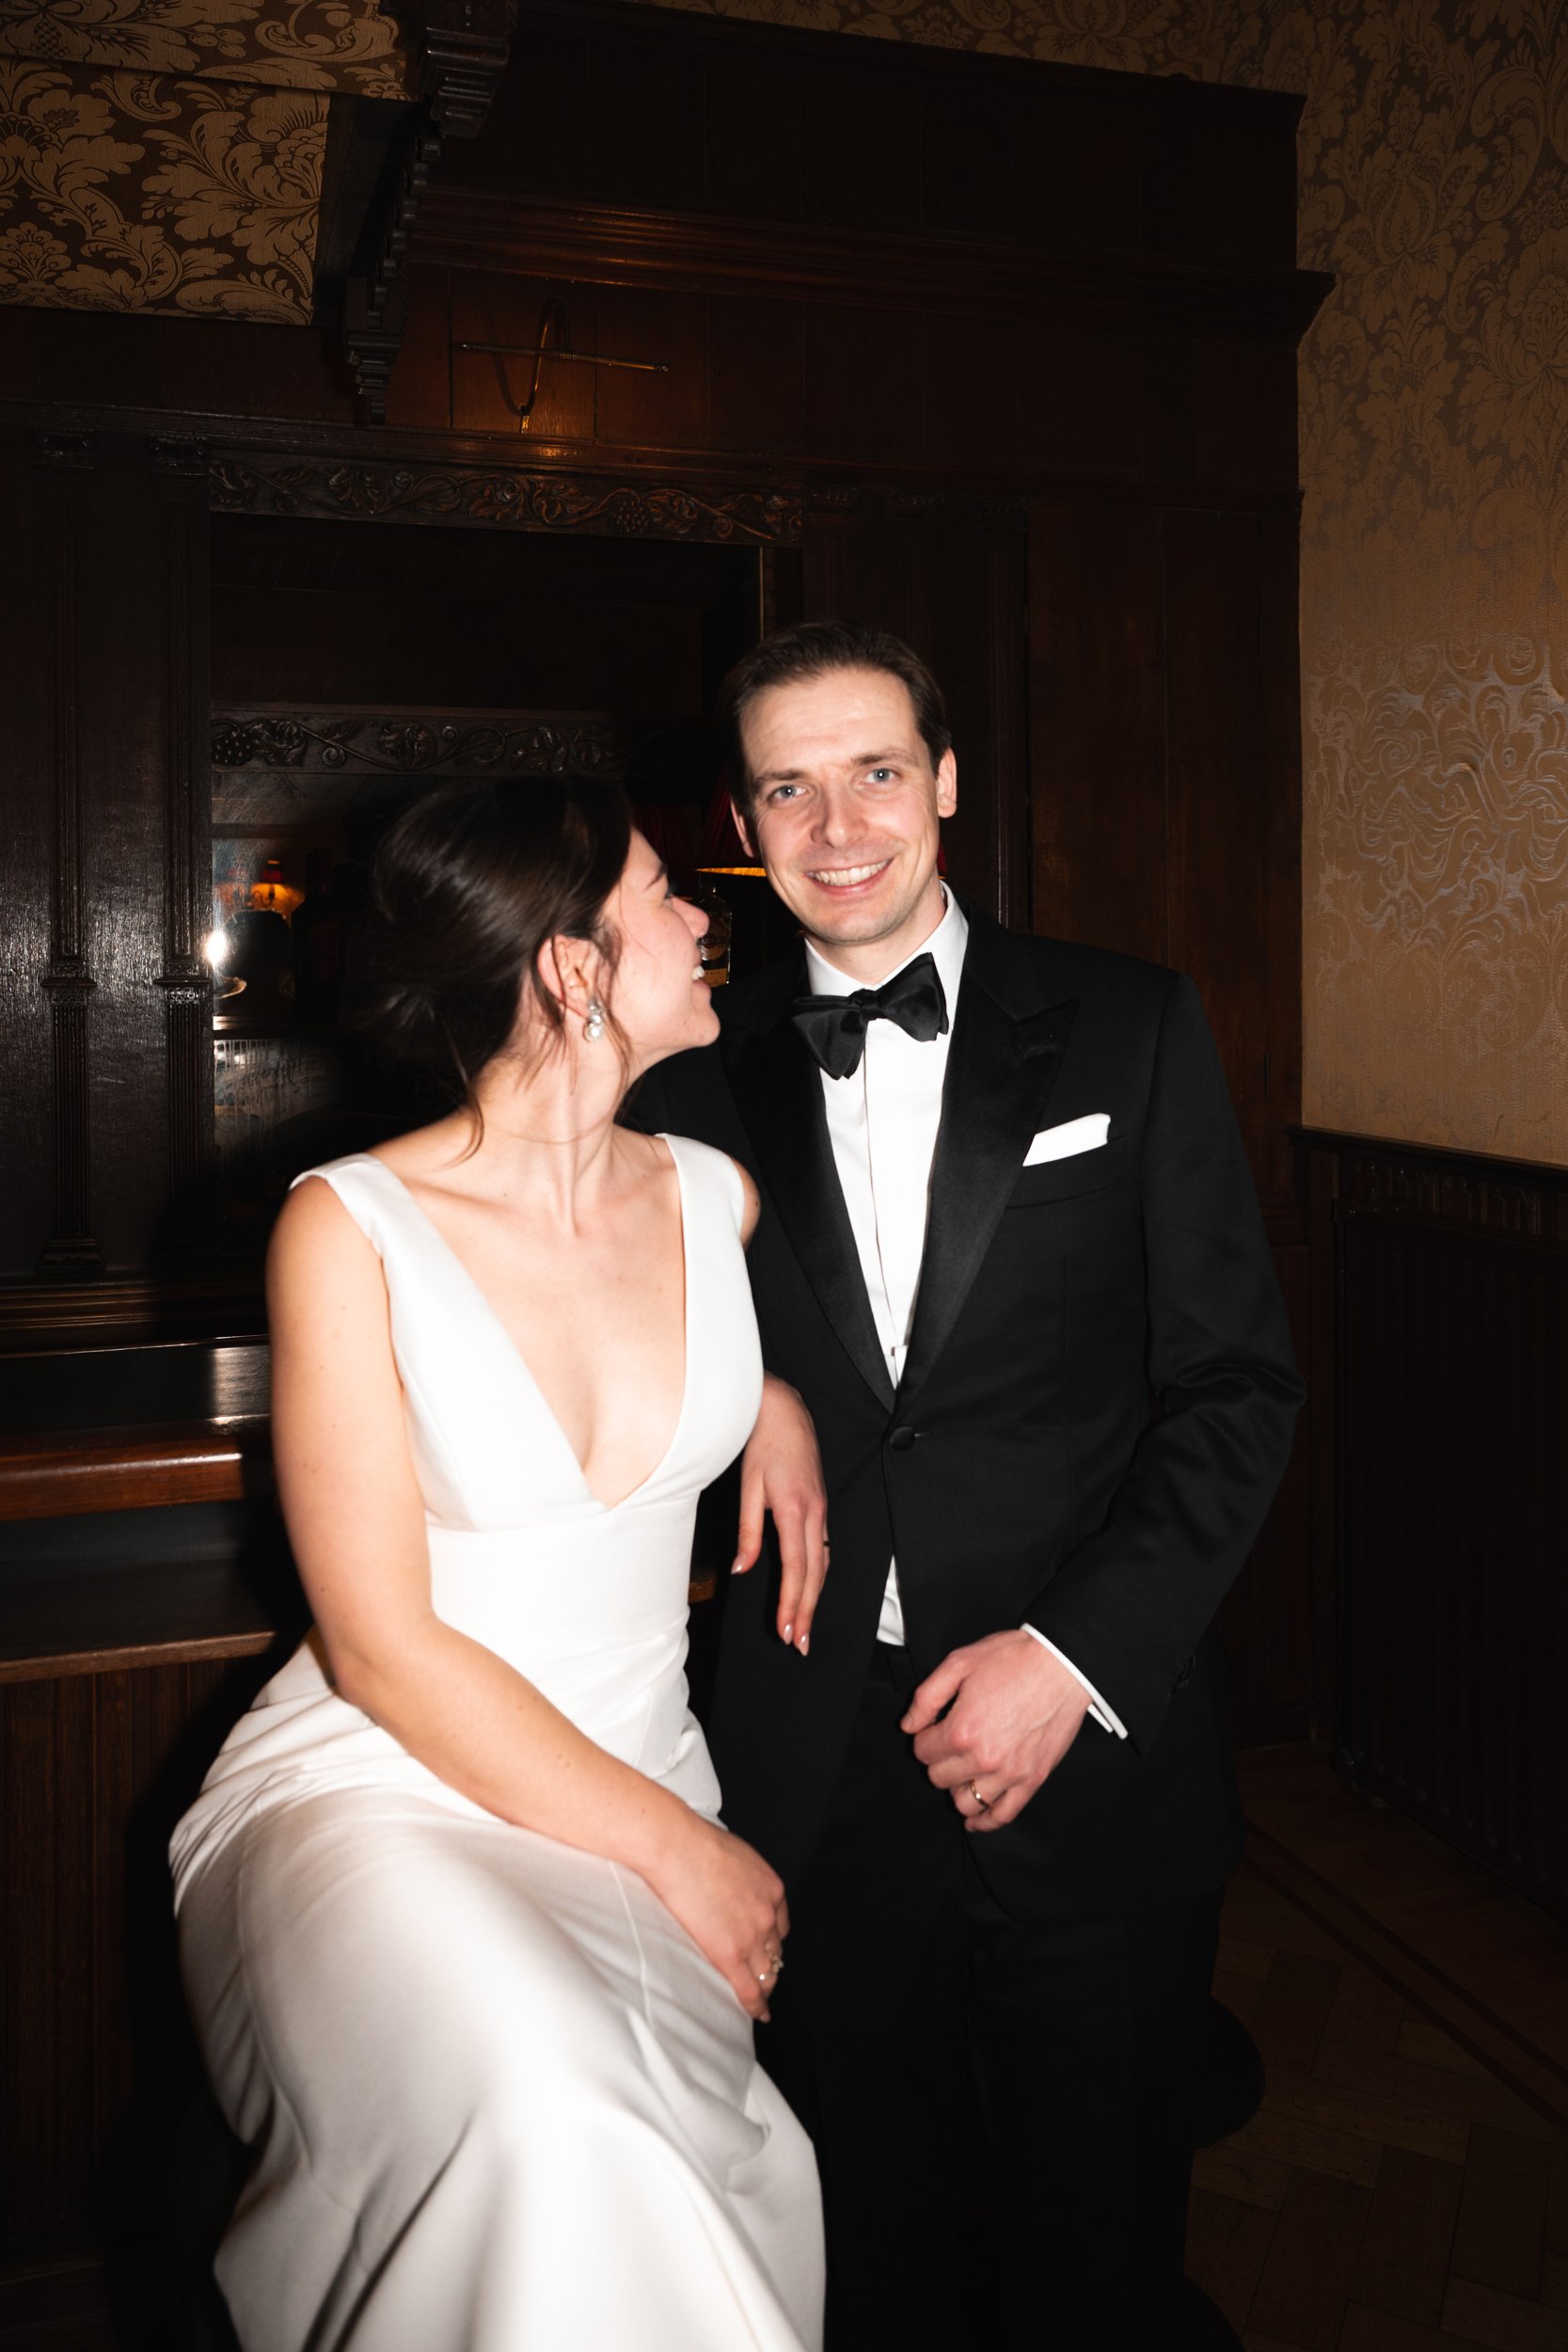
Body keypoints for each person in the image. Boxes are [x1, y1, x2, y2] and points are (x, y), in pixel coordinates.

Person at [633, 622, 1307, 2351]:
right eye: (790, 786)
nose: (837, 824)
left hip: (1099, 1762)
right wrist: (766, 1385)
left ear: (944, 781)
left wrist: (1068, 1659)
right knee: (867, 2242)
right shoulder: (686, 1084)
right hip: (812, 1773)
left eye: (875, 772)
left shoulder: (1133, 1025)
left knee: (1097, 2255)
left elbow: (1236, 1388)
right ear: (743, 816)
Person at [170, 778, 828, 2352]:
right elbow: (385, 1648)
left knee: (708, 2169)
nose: (701, 916)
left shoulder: (712, 1194)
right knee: (549, 2119)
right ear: (569, 967)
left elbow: (708, 1364)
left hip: (643, 1755)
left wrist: (770, 1406)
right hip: (387, 1781)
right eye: (666, 892)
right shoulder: (347, 1229)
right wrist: (681, 1849)